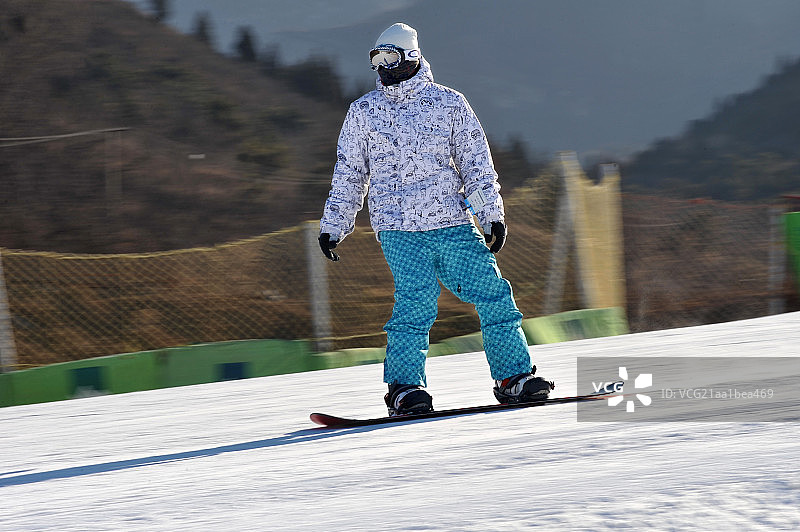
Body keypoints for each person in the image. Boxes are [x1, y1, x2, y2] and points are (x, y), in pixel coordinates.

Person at [319, 22, 553, 416]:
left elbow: (475, 164)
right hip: (398, 228)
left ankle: (514, 378)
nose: (382, 67)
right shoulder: (363, 112)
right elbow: (350, 173)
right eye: (375, 59)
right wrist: (334, 225)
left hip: (451, 222)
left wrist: (490, 215)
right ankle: (404, 388)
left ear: (411, 57)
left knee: (494, 293)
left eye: (390, 57)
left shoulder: (448, 104)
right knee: (416, 302)